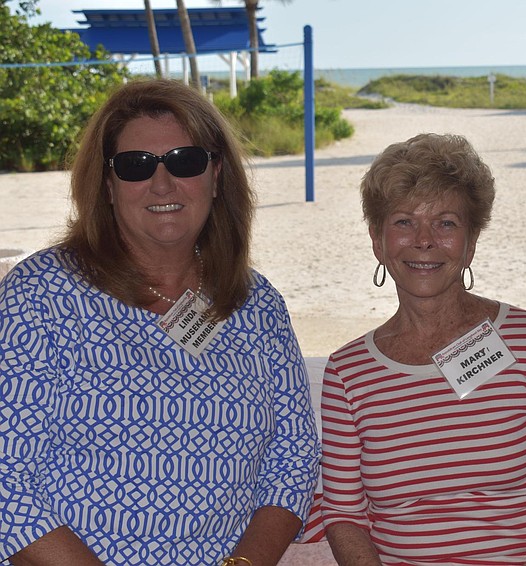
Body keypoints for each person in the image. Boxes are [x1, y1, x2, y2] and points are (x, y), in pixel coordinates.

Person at [0, 79, 320, 565]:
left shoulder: (257, 304)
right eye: (136, 166)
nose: (163, 183)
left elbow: (293, 457)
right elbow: (8, 483)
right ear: (107, 185)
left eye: (185, 160)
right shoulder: (39, 297)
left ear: (216, 175)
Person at [319, 133, 526, 565]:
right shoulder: (346, 373)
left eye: (446, 223)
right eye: (404, 221)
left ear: (471, 243)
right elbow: (343, 515)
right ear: (378, 240)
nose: (424, 240)